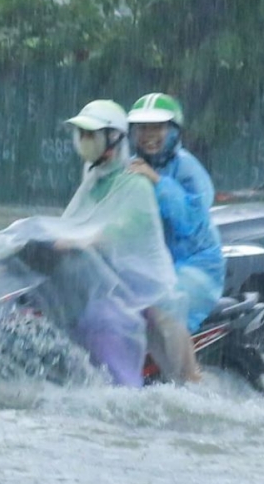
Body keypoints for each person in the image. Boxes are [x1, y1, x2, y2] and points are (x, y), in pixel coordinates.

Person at [49, 99, 183, 388]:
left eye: (91, 135)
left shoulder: (134, 182)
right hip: (98, 284)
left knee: (100, 321)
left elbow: (124, 228)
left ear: (113, 138)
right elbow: (70, 221)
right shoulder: (93, 178)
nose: (84, 141)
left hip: (136, 292)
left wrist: (89, 239)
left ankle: (123, 394)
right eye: (81, 134)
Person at [126, 92, 223, 382]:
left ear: (173, 131)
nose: (149, 135)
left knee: (163, 301)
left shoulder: (188, 168)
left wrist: (157, 181)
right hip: (156, 263)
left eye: (158, 127)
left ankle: (190, 376)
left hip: (196, 266)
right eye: (143, 128)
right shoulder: (130, 167)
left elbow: (190, 221)